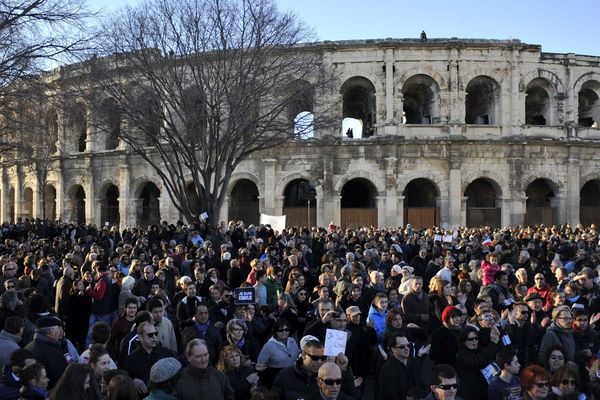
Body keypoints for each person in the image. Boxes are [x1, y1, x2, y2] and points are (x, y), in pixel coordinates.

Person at [123, 321, 174, 396]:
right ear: (140, 337)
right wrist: (133, 380)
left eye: (155, 333)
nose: (154, 337)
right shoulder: (132, 358)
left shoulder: (166, 353)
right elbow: (125, 378)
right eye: (150, 335)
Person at [24, 316, 69, 390]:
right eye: (59, 328)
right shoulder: (52, 351)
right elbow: (59, 377)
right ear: (52, 331)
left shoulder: (30, 345)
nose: (62, 331)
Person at [456, 325, 500, 400]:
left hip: (484, 391)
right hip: (471, 394)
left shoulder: (479, 350)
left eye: (476, 338)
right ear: (463, 341)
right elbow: (479, 362)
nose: (474, 341)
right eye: (470, 339)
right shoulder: (462, 354)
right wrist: (493, 342)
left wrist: (496, 337)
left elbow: (493, 353)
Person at [378, 332, 425, 400]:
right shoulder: (387, 369)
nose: (407, 348)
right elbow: (389, 396)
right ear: (393, 349)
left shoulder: (414, 362)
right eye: (402, 347)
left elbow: (420, 385)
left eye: (408, 345)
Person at [255, 318, 300, 388]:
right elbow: (260, 364)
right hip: (277, 380)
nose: (284, 332)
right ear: (275, 331)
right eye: (281, 330)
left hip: (293, 376)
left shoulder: (292, 340)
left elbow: (297, 355)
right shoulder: (268, 345)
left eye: (287, 330)